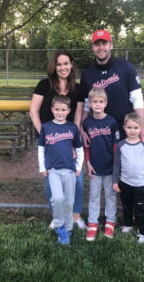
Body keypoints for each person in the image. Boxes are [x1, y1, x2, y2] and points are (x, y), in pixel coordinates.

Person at [30, 49, 86, 230]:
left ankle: (76, 216)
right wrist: (45, 138)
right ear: (54, 67)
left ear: (71, 65)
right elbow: (33, 111)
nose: (63, 67)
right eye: (59, 64)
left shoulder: (77, 89)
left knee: (76, 178)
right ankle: (57, 216)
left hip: (68, 140)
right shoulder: (44, 85)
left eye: (66, 63)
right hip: (49, 140)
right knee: (50, 178)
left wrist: (71, 143)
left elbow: (77, 118)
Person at [80, 29, 144, 145]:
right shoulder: (87, 74)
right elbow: (86, 105)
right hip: (99, 130)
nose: (100, 48)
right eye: (97, 44)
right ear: (92, 47)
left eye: (104, 44)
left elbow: (137, 98)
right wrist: (82, 129)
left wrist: (141, 126)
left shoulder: (126, 67)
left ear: (111, 45)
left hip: (125, 128)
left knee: (126, 162)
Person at [38, 95, 84, 244]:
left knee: (69, 200)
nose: (59, 112)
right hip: (53, 171)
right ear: (52, 109)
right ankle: (59, 227)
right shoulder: (46, 127)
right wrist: (42, 167)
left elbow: (79, 148)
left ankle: (68, 229)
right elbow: (41, 149)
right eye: (57, 109)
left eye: (63, 110)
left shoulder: (72, 128)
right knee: (57, 199)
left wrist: (78, 167)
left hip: (70, 170)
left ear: (68, 111)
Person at [83, 88, 120, 241]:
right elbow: (86, 146)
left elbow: (116, 146)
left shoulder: (111, 122)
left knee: (110, 195)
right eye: (94, 102)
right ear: (90, 104)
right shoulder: (87, 123)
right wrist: (88, 163)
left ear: (105, 103)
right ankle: (93, 223)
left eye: (101, 101)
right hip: (95, 167)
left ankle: (110, 221)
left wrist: (116, 166)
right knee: (94, 196)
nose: (98, 104)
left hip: (110, 167)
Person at [113, 113, 144, 243]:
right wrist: (115, 181)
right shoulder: (121, 145)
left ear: (141, 128)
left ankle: (143, 231)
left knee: (140, 209)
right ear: (124, 127)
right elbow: (117, 164)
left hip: (141, 184)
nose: (132, 131)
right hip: (125, 183)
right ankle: (128, 224)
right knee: (127, 206)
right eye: (129, 127)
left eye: (136, 128)